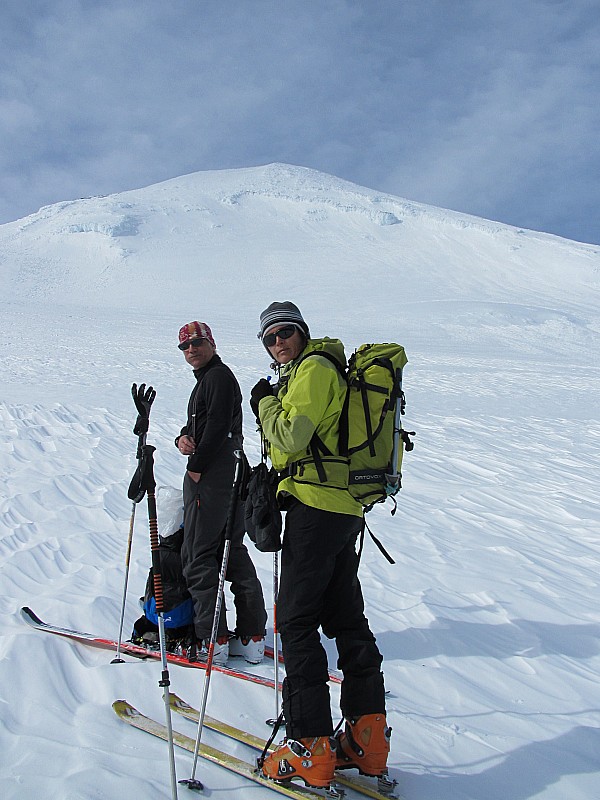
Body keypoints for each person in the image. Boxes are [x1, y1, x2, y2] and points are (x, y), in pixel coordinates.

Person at [250, 302, 391, 789]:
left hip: (316, 509)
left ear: (301, 333)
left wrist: (264, 405)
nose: (277, 343)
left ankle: (310, 748)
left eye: (284, 332)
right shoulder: (317, 368)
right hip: (343, 510)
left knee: (294, 621)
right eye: (268, 339)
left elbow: (289, 440)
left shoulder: (313, 368)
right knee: (346, 618)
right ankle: (367, 738)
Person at [176, 320, 267, 664]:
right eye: (185, 346)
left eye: (197, 343)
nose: (191, 350)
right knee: (229, 548)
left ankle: (211, 639)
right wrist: (183, 437)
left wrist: (196, 466)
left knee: (199, 554)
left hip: (214, 475)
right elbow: (206, 423)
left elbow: (215, 427)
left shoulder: (217, 377)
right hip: (231, 471)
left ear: (211, 343)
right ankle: (251, 634)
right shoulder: (214, 379)